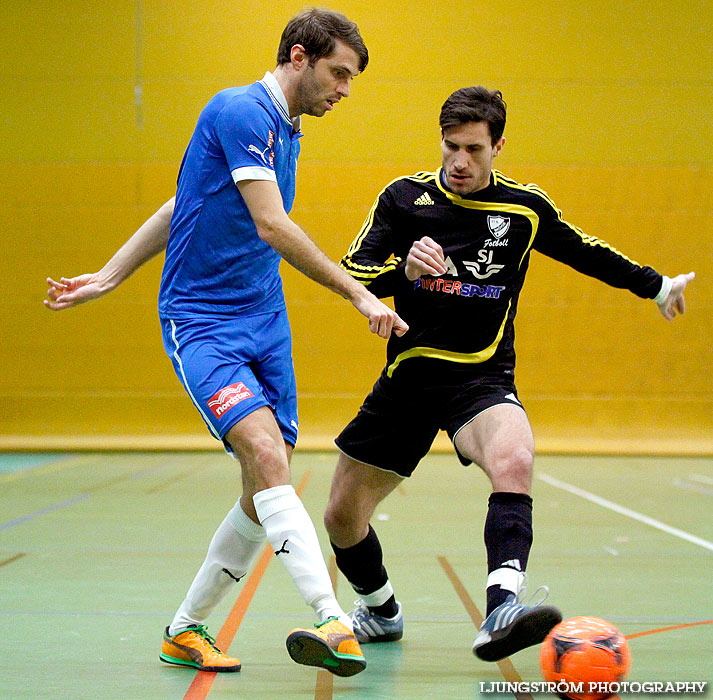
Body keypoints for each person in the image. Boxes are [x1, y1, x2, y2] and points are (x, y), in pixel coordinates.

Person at [44, 8, 408, 677]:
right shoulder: (240, 111)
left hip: (263, 321)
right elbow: (270, 224)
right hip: (202, 320)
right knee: (268, 456)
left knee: (258, 482)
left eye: (351, 78)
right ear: (298, 56)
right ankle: (332, 618)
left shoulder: (287, 129)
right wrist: (358, 293)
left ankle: (185, 630)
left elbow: (180, 202)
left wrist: (108, 273)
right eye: (338, 73)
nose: (345, 90)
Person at [321, 86, 695, 662]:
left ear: (498, 145)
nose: (459, 162)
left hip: (481, 378)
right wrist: (405, 271)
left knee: (516, 456)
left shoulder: (523, 210)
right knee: (342, 516)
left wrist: (657, 285)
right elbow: (354, 272)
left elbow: (584, 250)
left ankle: (501, 607)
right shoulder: (403, 199)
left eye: (473, 148)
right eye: (450, 147)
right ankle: (380, 610)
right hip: (410, 375)